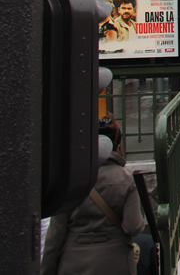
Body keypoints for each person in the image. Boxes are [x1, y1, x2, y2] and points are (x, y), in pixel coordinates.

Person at [42, 117, 145, 274]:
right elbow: (133, 227)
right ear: (117, 145)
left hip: (74, 264)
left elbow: (55, 237)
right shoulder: (125, 179)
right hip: (115, 264)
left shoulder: (71, 180)